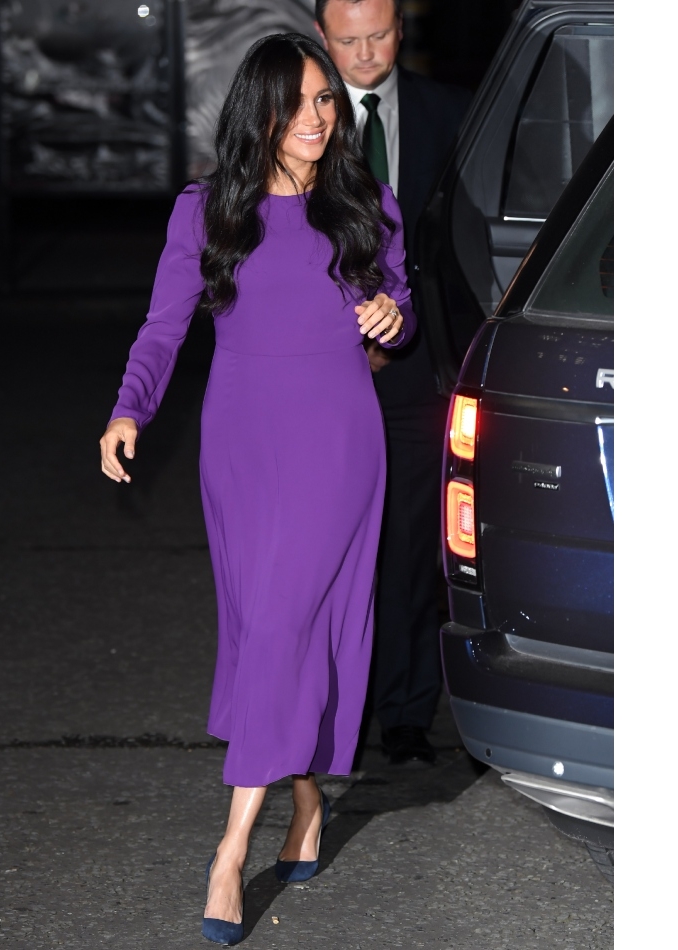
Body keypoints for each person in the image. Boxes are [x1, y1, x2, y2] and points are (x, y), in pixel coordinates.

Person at [98, 33, 415, 946]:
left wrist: (393, 316)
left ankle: (230, 853)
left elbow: (398, 311)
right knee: (270, 626)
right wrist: (130, 410)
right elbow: (163, 328)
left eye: (328, 101)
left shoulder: (366, 204)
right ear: (260, 111)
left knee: (282, 621)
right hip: (240, 443)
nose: (321, 118)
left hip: (336, 442)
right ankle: (307, 802)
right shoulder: (208, 212)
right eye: (304, 101)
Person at [314, 0, 472, 767]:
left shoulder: (452, 111)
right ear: (322, 37)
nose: (366, 52)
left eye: (378, 35)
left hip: (415, 364)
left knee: (412, 538)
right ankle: (331, 707)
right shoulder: (296, 115)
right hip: (317, 363)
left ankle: (407, 711)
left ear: (402, 28)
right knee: (327, 542)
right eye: (348, 40)